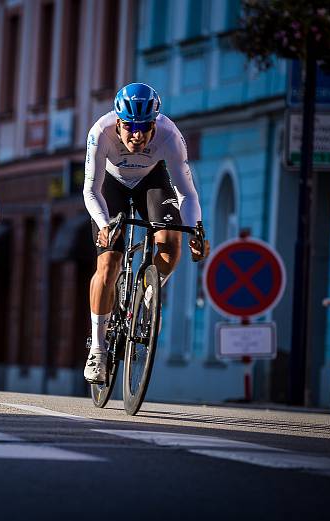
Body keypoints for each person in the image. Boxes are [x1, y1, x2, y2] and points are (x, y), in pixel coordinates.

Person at [82, 83, 210, 383]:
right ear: (118, 123)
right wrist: (104, 226)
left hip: (151, 179)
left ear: (155, 124)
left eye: (145, 128)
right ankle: (98, 350)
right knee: (108, 264)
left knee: (171, 243)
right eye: (129, 128)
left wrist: (196, 230)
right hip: (110, 186)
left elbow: (187, 194)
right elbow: (91, 189)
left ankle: (148, 291)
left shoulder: (170, 135)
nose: (137, 136)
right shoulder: (100, 133)